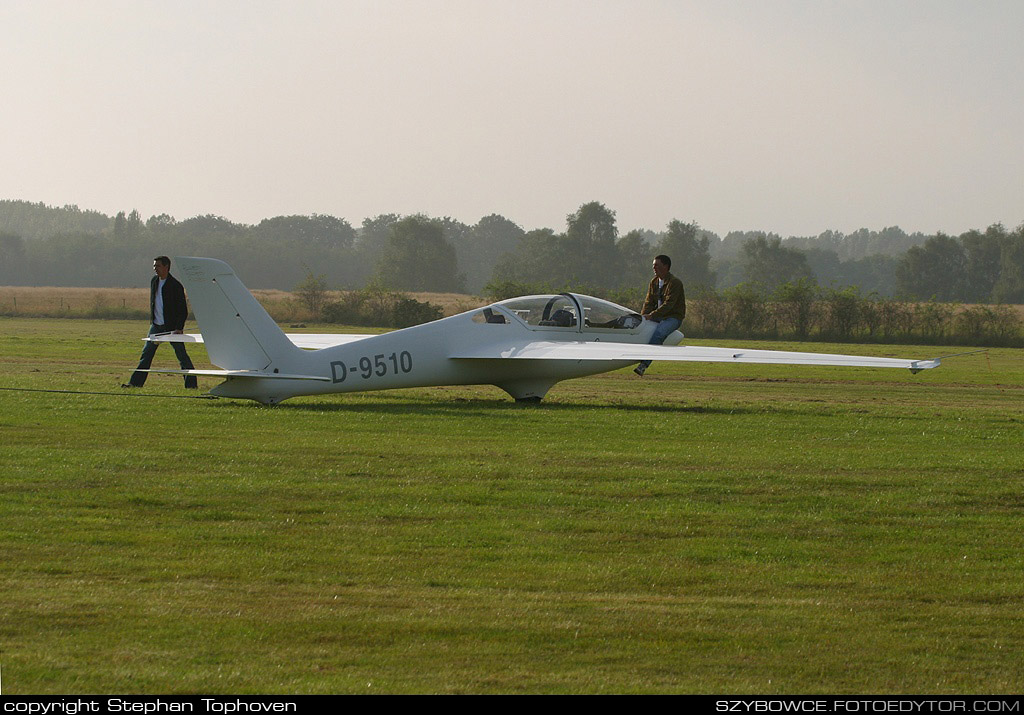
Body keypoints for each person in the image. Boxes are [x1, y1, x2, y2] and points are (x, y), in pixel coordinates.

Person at [123, 256, 198, 389]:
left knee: (182, 356)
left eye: (157, 266)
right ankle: (135, 383)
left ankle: (191, 386)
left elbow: (182, 310)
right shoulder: (154, 281)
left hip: (171, 328)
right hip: (156, 327)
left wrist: (179, 328)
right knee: (146, 355)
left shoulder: (175, 285)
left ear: (166, 267)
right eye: (154, 266)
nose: (155, 269)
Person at [634, 254, 685, 377]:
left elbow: (669, 305)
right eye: (653, 265)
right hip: (657, 315)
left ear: (666, 267)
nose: (654, 268)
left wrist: (651, 315)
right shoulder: (653, 282)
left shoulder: (675, 283)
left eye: (657, 265)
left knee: (659, 333)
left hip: (672, 317)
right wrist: (642, 318)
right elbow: (648, 302)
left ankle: (643, 365)